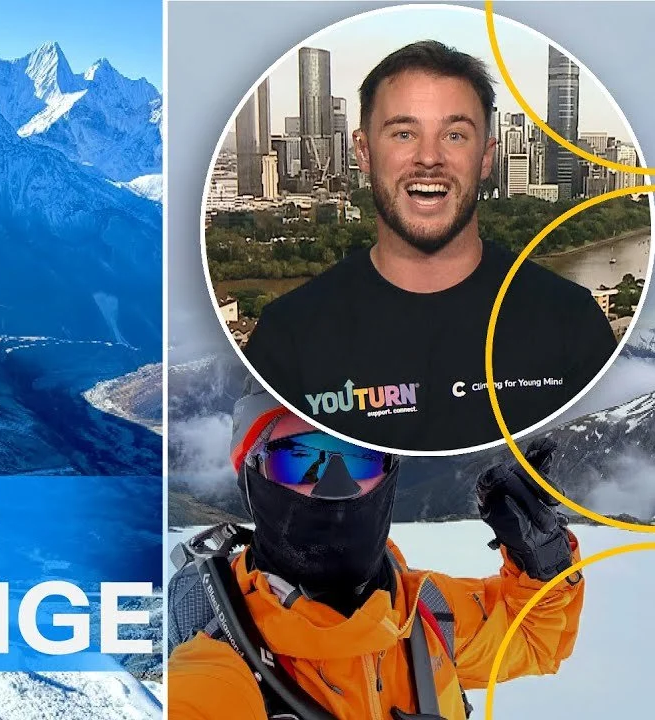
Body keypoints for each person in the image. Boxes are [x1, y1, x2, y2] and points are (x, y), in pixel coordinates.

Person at [243, 40, 615, 451]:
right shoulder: (288, 339)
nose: (429, 158)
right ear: (363, 151)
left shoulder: (571, 324)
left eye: (454, 135)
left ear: (487, 157)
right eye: (404, 133)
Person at [167, 380, 583, 719]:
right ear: (250, 478)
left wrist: (544, 560)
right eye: (298, 459)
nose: (336, 485)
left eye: (359, 456)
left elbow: (532, 638)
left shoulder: (429, 613)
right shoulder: (217, 671)